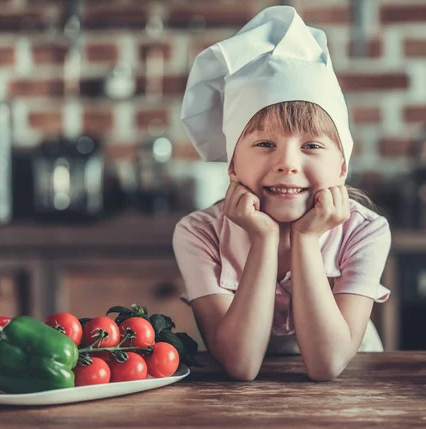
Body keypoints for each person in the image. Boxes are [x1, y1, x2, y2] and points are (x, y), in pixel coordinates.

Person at [174, 5, 391, 381]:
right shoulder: (198, 233)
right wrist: (263, 238)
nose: (287, 163)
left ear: (342, 166)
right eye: (263, 144)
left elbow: (326, 365)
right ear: (232, 165)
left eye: (311, 146)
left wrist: (306, 240)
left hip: (351, 393)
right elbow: (240, 365)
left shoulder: (365, 231)